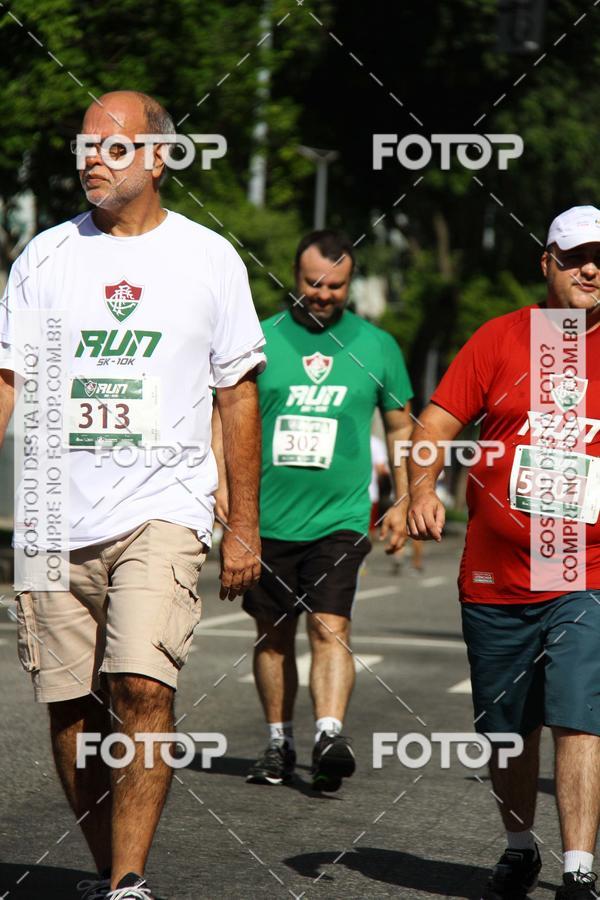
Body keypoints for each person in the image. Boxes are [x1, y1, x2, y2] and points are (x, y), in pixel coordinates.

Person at [0, 91, 264, 900]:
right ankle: (104, 868)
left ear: (158, 158)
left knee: (142, 686)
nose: (91, 159)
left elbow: (238, 396)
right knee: (70, 710)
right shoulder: (45, 256)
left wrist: (244, 523)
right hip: (51, 508)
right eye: (84, 145)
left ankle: (129, 881)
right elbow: (8, 383)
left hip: (165, 506)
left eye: (113, 147)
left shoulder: (208, 258)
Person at [407, 205, 600, 899]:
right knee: (508, 727)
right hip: (495, 572)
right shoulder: (499, 339)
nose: (591, 269)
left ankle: (579, 869)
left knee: (579, 712)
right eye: (576, 256)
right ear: (544, 262)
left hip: (585, 569)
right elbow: (435, 422)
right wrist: (421, 488)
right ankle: (521, 848)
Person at [240, 229, 413, 791]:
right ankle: (277, 742)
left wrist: (406, 496)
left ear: (350, 284)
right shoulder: (259, 340)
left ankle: (329, 734)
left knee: (330, 625)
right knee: (273, 632)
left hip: (339, 520)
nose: (324, 294)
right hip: (267, 520)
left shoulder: (377, 346)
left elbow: (401, 427)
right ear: (295, 275)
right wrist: (224, 498)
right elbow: (227, 423)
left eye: (336, 285)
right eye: (314, 282)